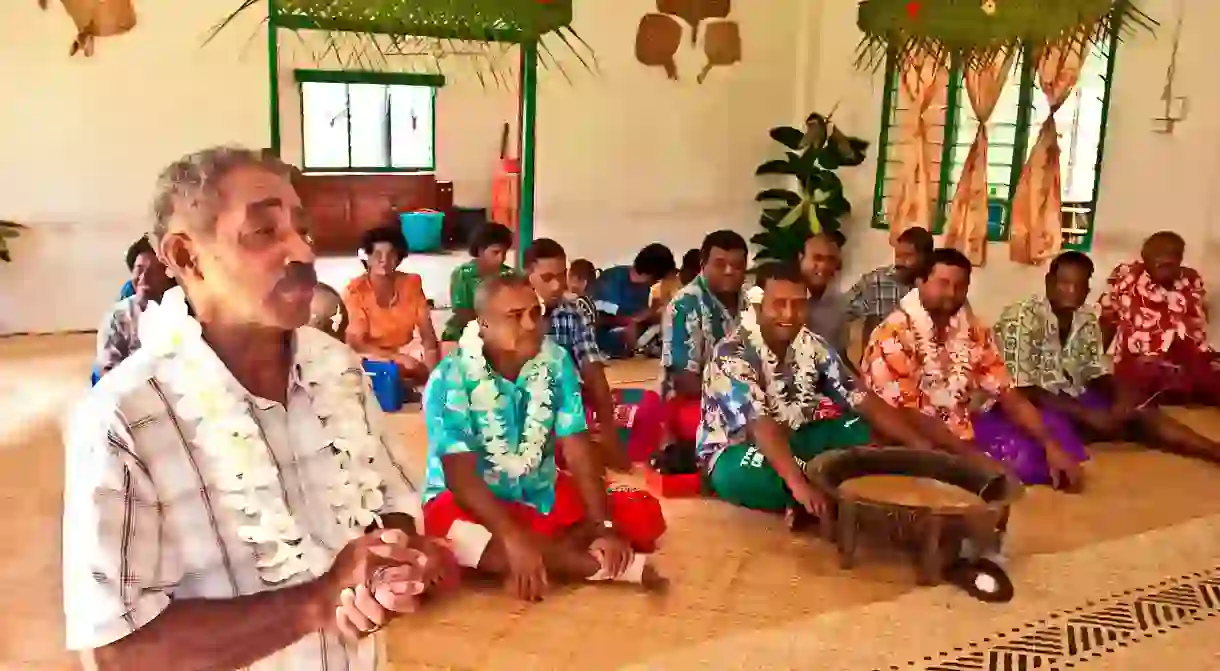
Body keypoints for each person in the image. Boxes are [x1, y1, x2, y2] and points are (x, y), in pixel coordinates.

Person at [64, 147, 457, 670]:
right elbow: (120, 654)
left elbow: (391, 500)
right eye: (264, 232)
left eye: (301, 229)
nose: (302, 253)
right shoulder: (124, 420)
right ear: (184, 256)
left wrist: (393, 558)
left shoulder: (336, 368)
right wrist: (316, 602)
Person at [421, 275, 668, 601]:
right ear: (483, 325)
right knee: (450, 531)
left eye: (535, 313)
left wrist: (603, 526)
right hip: (475, 503)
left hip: (540, 491)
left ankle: (534, 557)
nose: (530, 324)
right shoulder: (448, 379)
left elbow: (577, 447)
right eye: (514, 316)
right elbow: (461, 479)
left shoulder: (555, 360)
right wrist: (512, 536)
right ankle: (587, 564)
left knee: (641, 513)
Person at [698, 262, 937, 516]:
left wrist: (919, 448)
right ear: (757, 306)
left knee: (873, 427)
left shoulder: (812, 345)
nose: (789, 314)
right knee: (737, 475)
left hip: (799, 437)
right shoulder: (731, 354)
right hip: (739, 451)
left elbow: (860, 397)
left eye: (798, 304)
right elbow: (760, 425)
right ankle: (822, 495)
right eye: (779, 304)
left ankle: (827, 493)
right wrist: (798, 485)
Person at [862, 248, 1086, 490]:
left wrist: (1048, 444)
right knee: (989, 472)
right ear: (920, 283)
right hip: (908, 437)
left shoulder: (973, 331)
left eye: (960, 286)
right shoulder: (892, 335)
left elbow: (1009, 395)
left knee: (1049, 439)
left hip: (958, 429)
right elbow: (911, 414)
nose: (951, 293)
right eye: (943, 283)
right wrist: (974, 459)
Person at [996, 251, 1220, 472]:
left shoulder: (1086, 318)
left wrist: (1121, 397)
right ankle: (1108, 429)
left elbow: (1095, 371)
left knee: (1138, 410)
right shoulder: (1021, 318)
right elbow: (1023, 388)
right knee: (1040, 445)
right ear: (1049, 282)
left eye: (1079, 285)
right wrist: (1086, 414)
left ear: (1087, 290)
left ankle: (1214, 451)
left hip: (1068, 394)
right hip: (1027, 402)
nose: (1071, 291)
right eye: (1064, 283)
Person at [524, 238, 630, 471]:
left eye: (562, 275)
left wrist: (610, 433)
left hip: (567, 401)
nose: (556, 286)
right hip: (520, 408)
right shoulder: (512, 311)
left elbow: (592, 369)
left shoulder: (573, 311)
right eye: (547, 278)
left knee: (642, 407)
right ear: (527, 275)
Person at [1099, 231, 1220, 409]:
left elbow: (1199, 321)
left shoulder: (1191, 279)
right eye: (1159, 254)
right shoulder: (1127, 278)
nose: (1167, 260)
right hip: (1143, 362)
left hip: (1191, 362)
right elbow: (1107, 319)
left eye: (1174, 254)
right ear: (1144, 256)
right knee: (1136, 386)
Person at [661, 230, 749, 444]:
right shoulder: (684, 305)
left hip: (747, 395)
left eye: (737, 265)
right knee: (744, 429)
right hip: (693, 402)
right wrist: (741, 396)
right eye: (720, 264)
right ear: (703, 264)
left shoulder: (750, 301)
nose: (729, 271)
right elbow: (684, 380)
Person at [343, 226, 440, 385]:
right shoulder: (355, 292)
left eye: (391, 254)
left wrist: (434, 375)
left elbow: (428, 336)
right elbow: (357, 344)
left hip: (406, 351)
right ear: (366, 258)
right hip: (371, 355)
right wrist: (397, 358)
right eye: (377, 254)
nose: (384, 260)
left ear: (399, 257)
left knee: (450, 353)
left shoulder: (412, 283)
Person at [94, 236, 175, 379]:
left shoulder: (182, 311)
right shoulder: (118, 317)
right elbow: (107, 370)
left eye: (154, 271)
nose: (144, 278)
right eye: (139, 269)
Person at [844, 226, 934, 341]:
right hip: (878, 355)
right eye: (898, 256)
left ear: (926, 258)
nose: (899, 262)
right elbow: (840, 312)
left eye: (908, 256)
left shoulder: (936, 285)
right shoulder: (876, 281)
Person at [593, 243, 676, 357]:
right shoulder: (612, 280)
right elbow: (597, 318)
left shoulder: (645, 288)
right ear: (653, 273)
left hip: (631, 346)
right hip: (604, 345)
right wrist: (635, 320)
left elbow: (639, 318)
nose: (657, 282)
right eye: (659, 278)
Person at [441, 222, 517, 341]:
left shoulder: (509, 275)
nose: (501, 258)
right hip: (466, 330)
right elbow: (462, 313)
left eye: (504, 253)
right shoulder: (462, 275)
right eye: (495, 252)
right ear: (480, 251)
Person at [799, 233, 847, 352]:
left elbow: (841, 355)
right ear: (801, 258)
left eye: (831, 259)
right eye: (817, 258)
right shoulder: (783, 295)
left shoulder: (841, 305)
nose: (824, 266)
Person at [567, 258, 599, 325]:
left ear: (584, 282)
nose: (568, 281)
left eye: (570, 277)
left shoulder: (581, 303)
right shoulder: (591, 303)